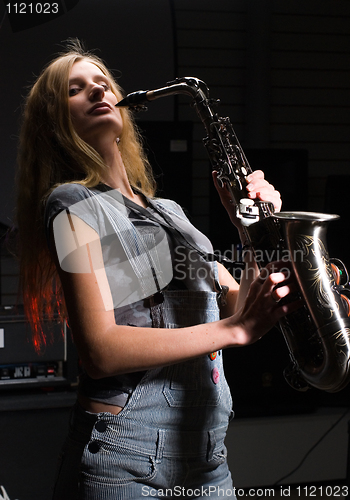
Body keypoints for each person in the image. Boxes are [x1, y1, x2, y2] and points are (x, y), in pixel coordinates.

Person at [16, 40, 300, 499]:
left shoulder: (169, 212)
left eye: (102, 83)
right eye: (75, 89)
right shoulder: (70, 206)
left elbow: (243, 308)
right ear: (54, 123)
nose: (97, 92)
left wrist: (251, 229)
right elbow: (101, 351)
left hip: (208, 459)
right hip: (126, 459)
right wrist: (237, 329)